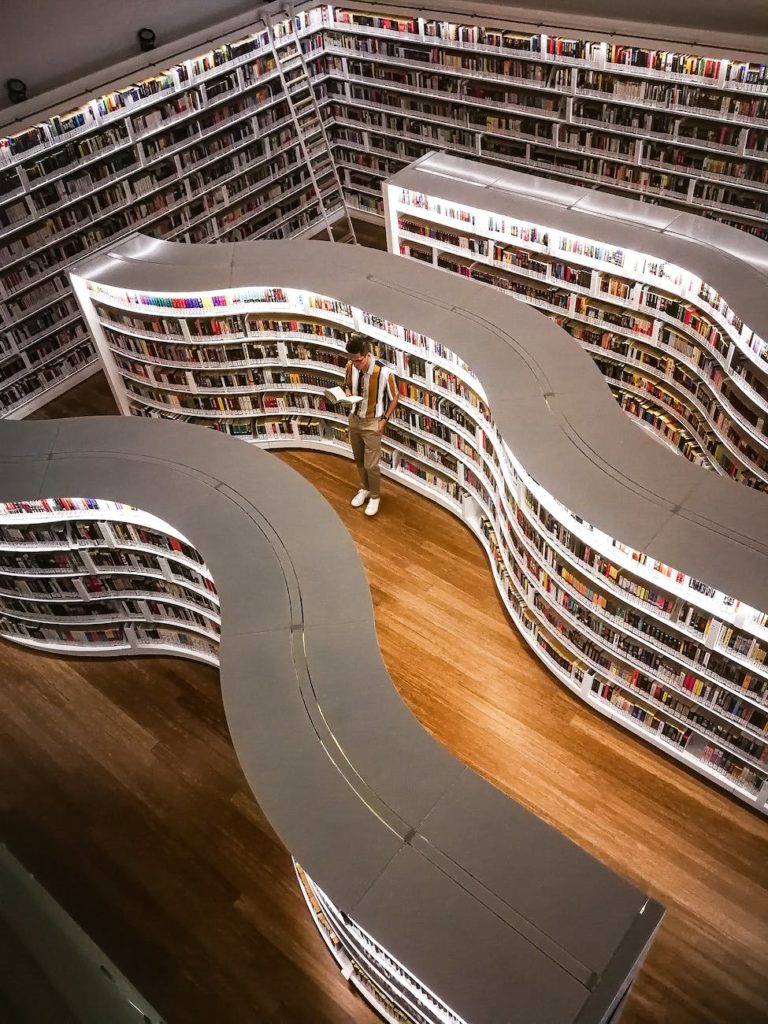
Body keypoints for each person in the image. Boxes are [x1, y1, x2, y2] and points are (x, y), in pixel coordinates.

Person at [343, 333, 399, 517]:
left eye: (358, 360)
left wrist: (384, 420)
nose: (356, 364)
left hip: (372, 422)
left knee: (371, 465)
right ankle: (364, 489)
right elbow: (346, 384)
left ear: (367, 355)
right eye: (352, 361)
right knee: (358, 459)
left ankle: (375, 496)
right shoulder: (350, 366)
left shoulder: (384, 373)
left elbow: (395, 397)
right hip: (354, 418)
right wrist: (347, 393)